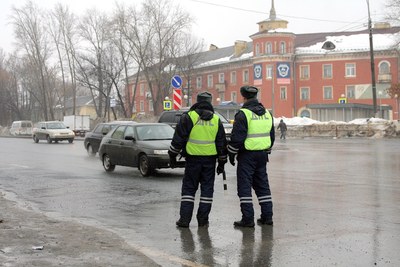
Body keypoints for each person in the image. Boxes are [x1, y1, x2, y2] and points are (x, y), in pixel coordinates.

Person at [169, 91, 227, 228]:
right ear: (210, 102)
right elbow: (221, 143)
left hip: (193, 160)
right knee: (207, 191)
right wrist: (222, 162)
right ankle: (203, 220)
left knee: (189, 190)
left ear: (197, 101)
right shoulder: (216, 120)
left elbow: (178, 138)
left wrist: (172, 155)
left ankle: (184, 220)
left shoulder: (189, 116)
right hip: (210, 162)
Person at [228, 85, 275, 227]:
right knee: (262, 186)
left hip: (247, 155)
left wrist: (231, 152)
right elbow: (271, 136)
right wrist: (266, 149)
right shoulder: (267, 113)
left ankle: (248, 219)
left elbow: (238, 137)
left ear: (244, 97)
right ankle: (267, 217)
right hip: (262, 155)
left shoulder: (243, 114)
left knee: (245, 187)